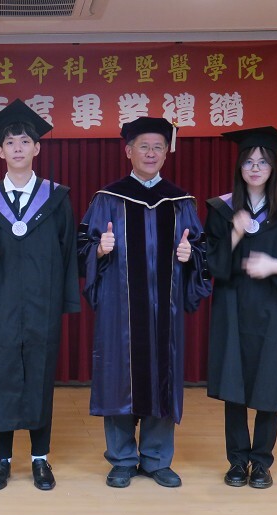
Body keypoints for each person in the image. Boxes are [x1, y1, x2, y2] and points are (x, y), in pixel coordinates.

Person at [77, 117, 211, 489]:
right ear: (128, 151)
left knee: (162, 376)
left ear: (166, 153)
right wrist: (99, 250)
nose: (151, 154)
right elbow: (81, 247)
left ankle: (156, 459)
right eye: (143, 147)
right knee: (119, 376)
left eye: (158, 147)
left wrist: (190, 256)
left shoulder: (180, 202)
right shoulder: (108, 198)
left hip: (165, 309)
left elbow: (202, 250)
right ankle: (121, 459)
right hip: (120, 310)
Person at [0, 99, 81, 491]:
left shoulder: (57, 199)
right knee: (2, 375)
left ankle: (40, 458)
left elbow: (68, 252)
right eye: (10, 142)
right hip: (1, 304)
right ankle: (2, 458)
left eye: (25, 141)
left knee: (40, 376)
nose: (17, 148)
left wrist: (64, 301)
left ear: (37, 148)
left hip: (43, 304)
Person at [205, 126, 277, 489]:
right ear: (239, 166)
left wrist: (276, 266)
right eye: (249, 161)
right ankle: (237, 461)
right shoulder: (222, 210)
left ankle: (262, 462)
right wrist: (235, 233)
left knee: (269, 384)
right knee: (234, 383)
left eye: (263, 162)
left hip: (273, 308)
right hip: (233, 306)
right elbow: (211, 264)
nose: (255, 168)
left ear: (273, 168)